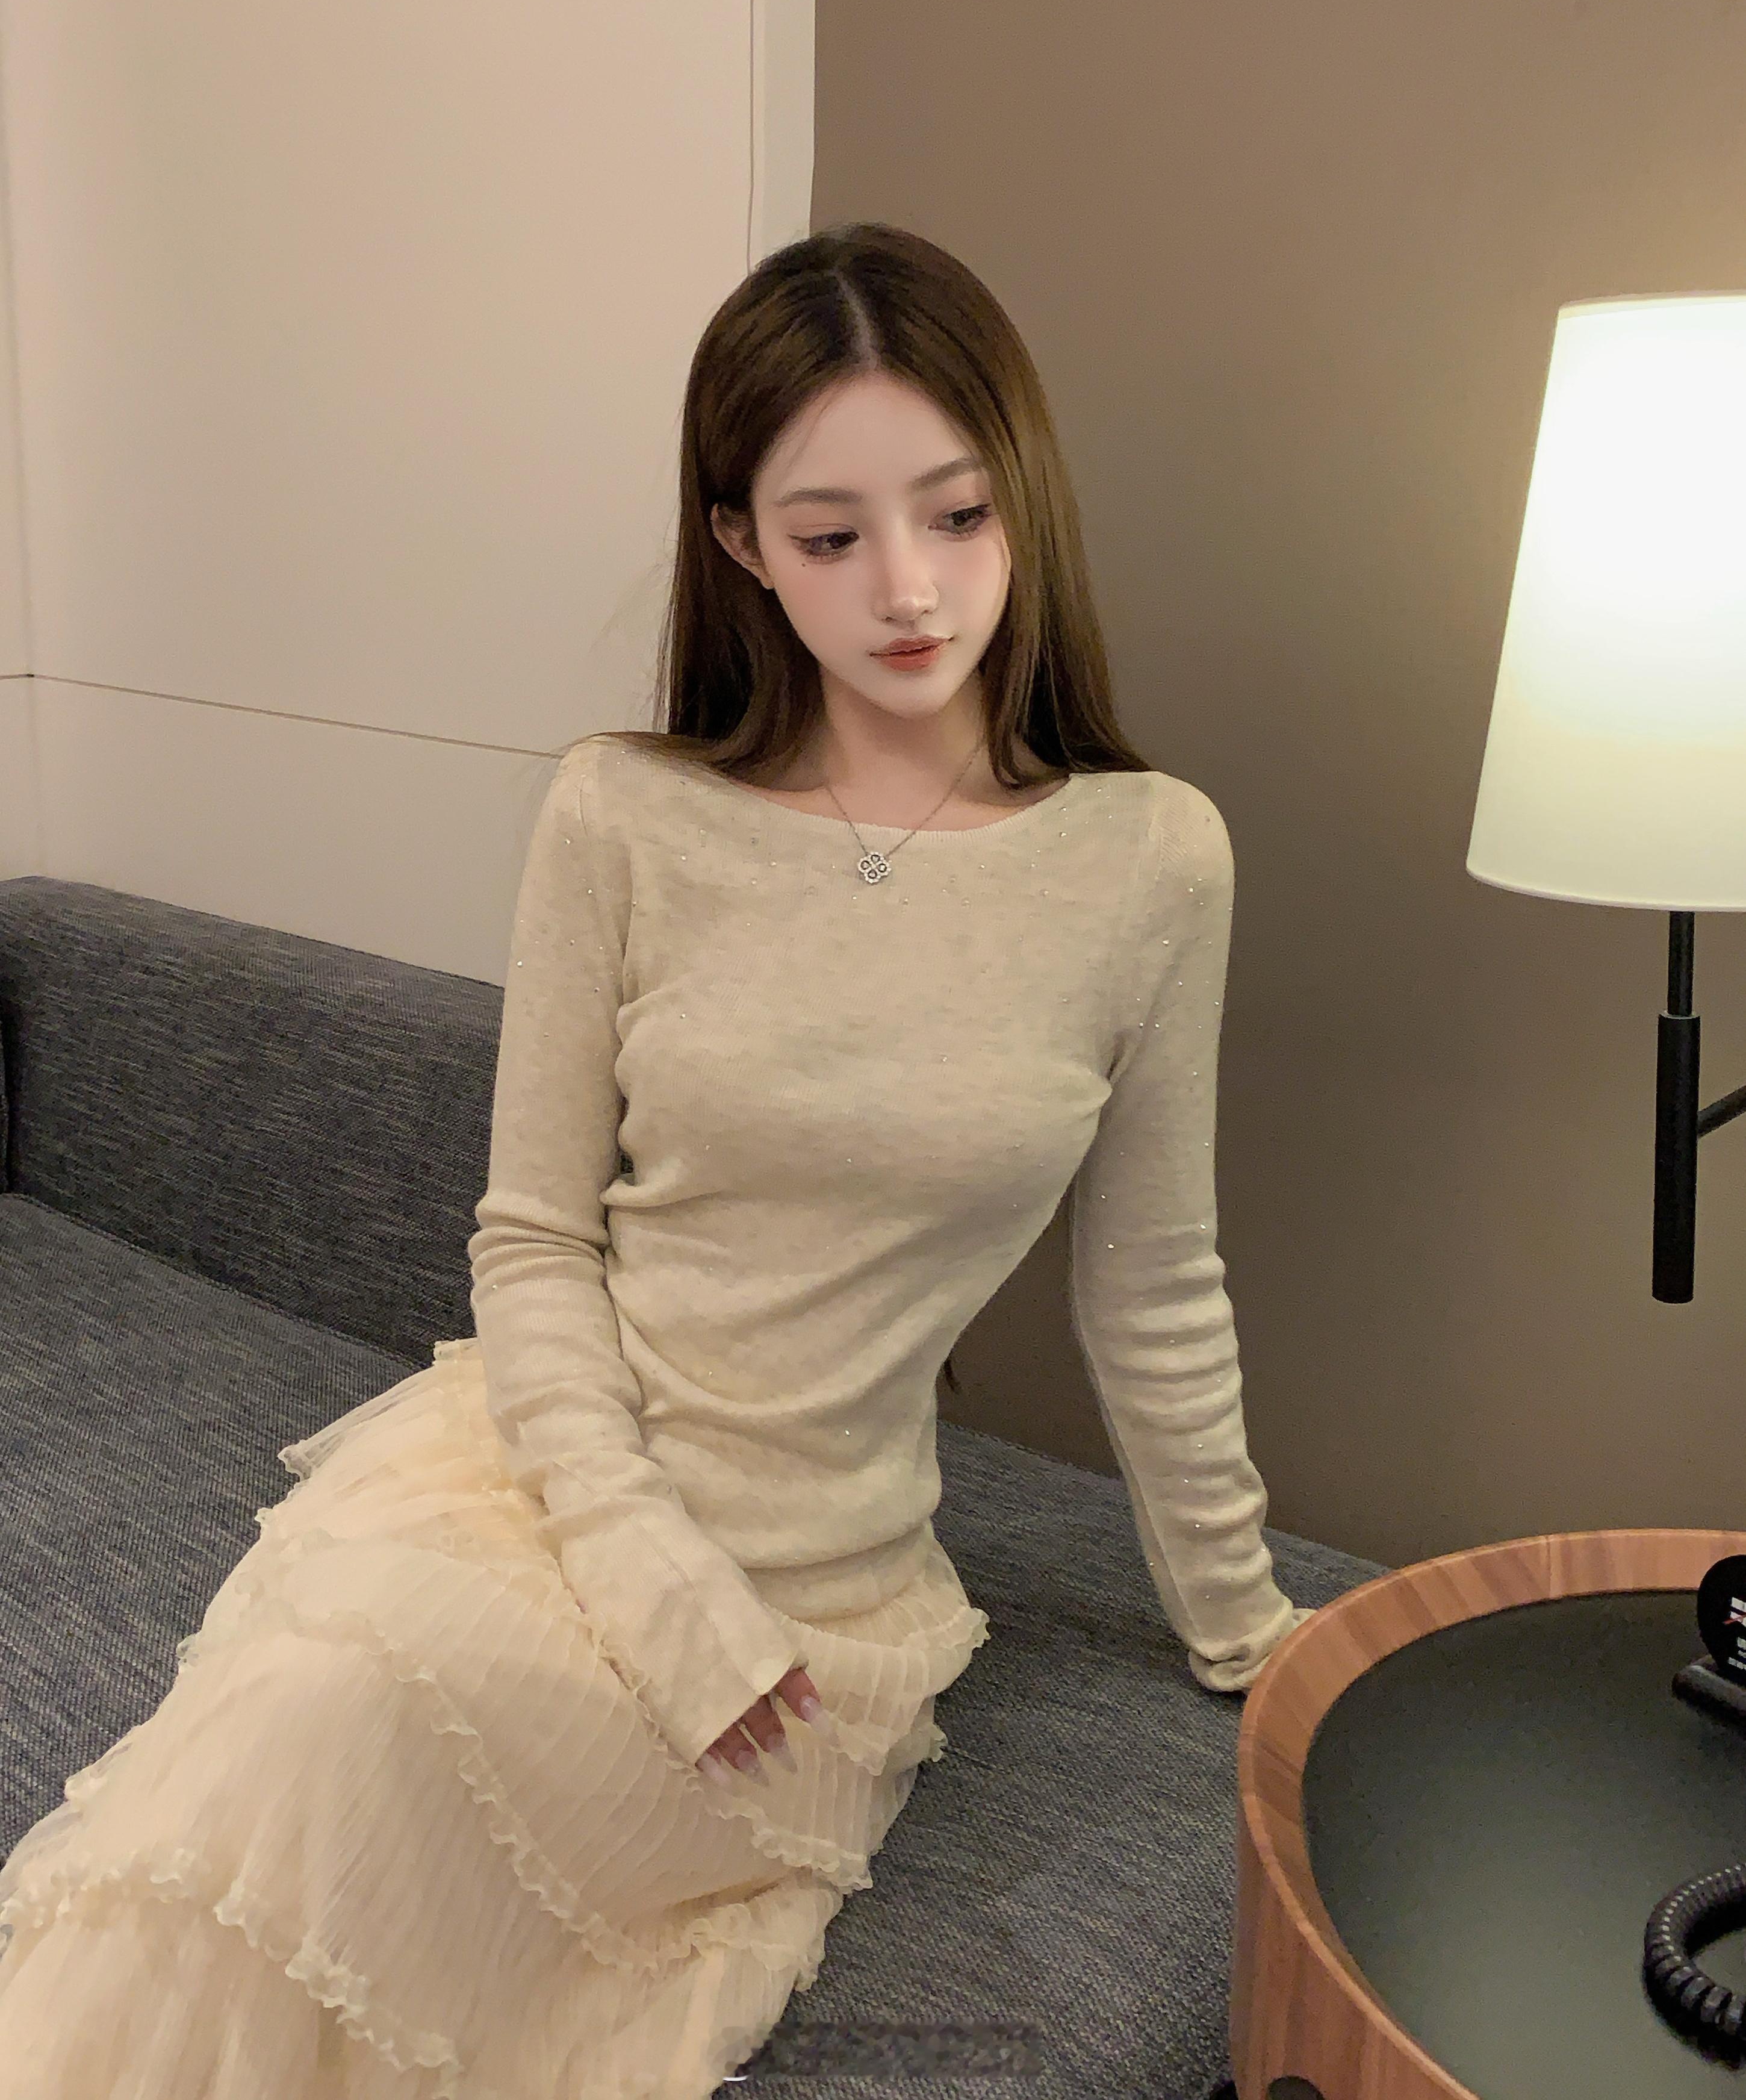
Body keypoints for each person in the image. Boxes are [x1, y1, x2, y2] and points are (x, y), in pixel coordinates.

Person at [0, 220, 1310, 2095]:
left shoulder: (1151, 859)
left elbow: (1154, 1286)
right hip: (546, 1496)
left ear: (1023, 494)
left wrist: (1248, 1628)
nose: (908, 589)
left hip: (821, 1605)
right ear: (740, 545)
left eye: (955, 514)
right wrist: (644, 1570)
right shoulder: (624, 812)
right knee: (305, 1744)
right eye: (829, 535)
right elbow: (533, 1237)